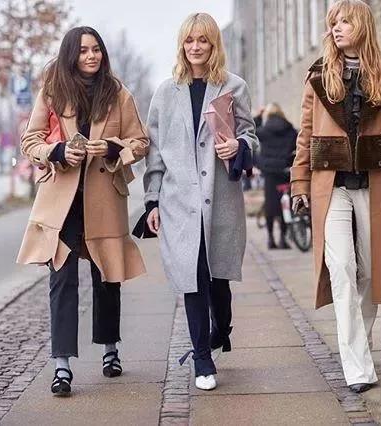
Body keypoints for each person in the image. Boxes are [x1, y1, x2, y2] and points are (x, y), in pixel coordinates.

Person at [290, 0, 381, 393]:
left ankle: (361, 341)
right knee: (341, 269)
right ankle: (357, 366)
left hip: (380, 183)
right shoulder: (319, 75)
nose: (336, 28)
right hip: (332, 185)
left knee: (371, 271)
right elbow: (306, 135)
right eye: (333, 22)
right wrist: (299, 183)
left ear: (363, 25)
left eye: (345, 21)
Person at [16, 26, 149, 396]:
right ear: (70, 54)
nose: (91, 56)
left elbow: (140, 142)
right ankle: (62, 366)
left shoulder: (118, 92)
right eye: (84, 50)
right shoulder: (53, 90)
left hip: (104, 197)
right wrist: (58, 151)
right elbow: (31, 141)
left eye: (96, 49)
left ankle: (110, 350)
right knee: (62, 281)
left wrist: (112, 147)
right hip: (62, 203)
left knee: (107, 275)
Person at [143, 12, 257, 391]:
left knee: (218, 280)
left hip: (221, 199)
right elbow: (155, 153)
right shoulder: (165, 93)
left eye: (203, 40)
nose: (195, 47)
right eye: (189, 40)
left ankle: (221, 328)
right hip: (178, 202)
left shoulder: (233, 87)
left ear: (213, 45)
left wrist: (238, 145)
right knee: (193, 278)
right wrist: (152, 201)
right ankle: (202, 359)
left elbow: (250, 136)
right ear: (182, 44)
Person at [255, 103, 297, 249]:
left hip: (270, 172)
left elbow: (250, 130)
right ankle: (283, 239)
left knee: (270, 206)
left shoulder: (264, 131)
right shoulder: (290, 130)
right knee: (285, 204)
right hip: (285, 171)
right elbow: (296, 146)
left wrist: (259, 117)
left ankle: (271, 239)